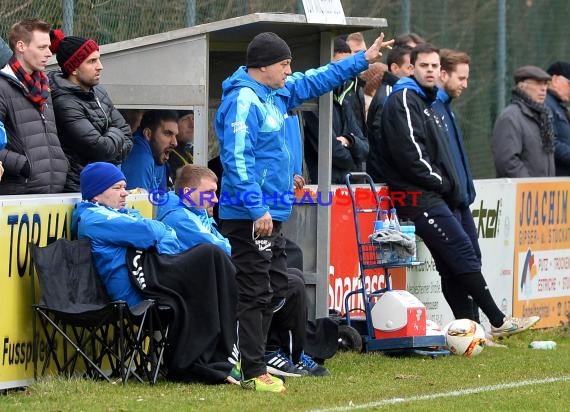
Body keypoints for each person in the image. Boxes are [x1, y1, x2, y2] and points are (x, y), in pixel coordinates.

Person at [215, 31, 393, 393]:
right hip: (249, 215)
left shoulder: (276, 91)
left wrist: (363, 60)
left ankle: (247, 357)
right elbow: (236, 159)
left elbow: (316, 79)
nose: (289, 70)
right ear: (264, 66)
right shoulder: (244, 100)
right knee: (256, 291)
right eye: (284, 64)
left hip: (273, 212)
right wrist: (257, 207)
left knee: (279, 286)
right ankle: (251, 368)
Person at [377, 43, 540, 338]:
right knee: (461, 254)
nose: (430, 71)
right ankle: (498, 320)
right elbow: (411, 155)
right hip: (419, 196)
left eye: (434, 66)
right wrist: (443, 183)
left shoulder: (427, 101)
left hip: (440, 194)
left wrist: (452, 187)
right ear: (411, 68)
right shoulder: (404, 98)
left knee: (455, 263)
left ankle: (473, 332)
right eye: (423, 65)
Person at [156, 164, 329, 379]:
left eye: (216, 192)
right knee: (268, 285)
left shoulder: (197, 214)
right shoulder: (179, 218)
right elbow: (222, 248)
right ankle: (265, 353)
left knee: (289, 279)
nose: (216, 200)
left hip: (219, 281)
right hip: (204, 290)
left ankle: (287, 352)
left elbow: (221, 245)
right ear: (189, 194)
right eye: (209, 193)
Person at [72, 161, 238, 384]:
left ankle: (222, 356)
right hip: (135, 287)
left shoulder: (119, 212)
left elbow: (162, 234)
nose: (124, 194)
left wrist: (158, 240)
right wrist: (158, 239)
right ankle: (200, 361)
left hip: (150, 273)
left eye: (125, 187)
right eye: (117, 188)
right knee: (209, 256)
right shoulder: (94, 218)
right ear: (96, 194)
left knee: (211, 263)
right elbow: (150, 229)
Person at [47, 29, 132, 192]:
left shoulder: (99, 91)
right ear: (73, 69)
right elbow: (100, 149)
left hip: (106, 186)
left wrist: (110, 143)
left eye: (98, 59)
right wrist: (115, 132)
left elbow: (128, 135)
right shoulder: (64, 102)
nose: (100, 67)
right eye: (92, 61)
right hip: (79, 189)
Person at [432, 49, 481, 324]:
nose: (465, 84)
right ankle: (468, 327)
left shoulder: (446, 107)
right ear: (444, 75)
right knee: (454, 268)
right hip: (446, 201)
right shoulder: (432, 108)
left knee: (472, 261)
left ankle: (475, 326)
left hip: (461, 200)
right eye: (461, 78)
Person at [0, 18, 67, 194]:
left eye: (49, 47)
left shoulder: (44, 87)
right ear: (21, 47)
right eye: (42, 47)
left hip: (52, 190)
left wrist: (60, 165)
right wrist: (24, 166)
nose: (48, 53)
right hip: (18, 194)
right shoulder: (2, 86)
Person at [303, 37, 369, 184]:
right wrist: (355, 159)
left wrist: (349, 140)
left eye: (346, 66)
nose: (343, 72)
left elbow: (365, 147)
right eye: (338, 67)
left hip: (347, 185)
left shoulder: (342, 101)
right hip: (322, 189)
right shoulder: (312, 104)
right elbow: (332, 151)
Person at [492, 66, 555, 177]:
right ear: (521, 86)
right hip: (523, 192)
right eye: (538, 83)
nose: (543, 88)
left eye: (545, 84)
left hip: (543, 191)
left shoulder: (544, 117)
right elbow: (507, 161)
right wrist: (530, 187)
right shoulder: (510, 117)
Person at [366, 45, 413, 182]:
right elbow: (382, 138)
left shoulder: (399, 93)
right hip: (385, 181)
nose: (413, 73)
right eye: (409, 67)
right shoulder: (388, 95)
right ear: (394, 68)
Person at [121, 109, 178, 191]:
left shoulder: (157, 155)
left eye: (175, 135)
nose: (175, 142)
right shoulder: (140, 158)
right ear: (148, 134)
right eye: (167, 133)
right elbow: (136, 202)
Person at [545, 61, 570, 176]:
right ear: (554, 80)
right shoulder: (546, 104)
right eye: (569, 83)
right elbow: (551, 143)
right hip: (555, 178)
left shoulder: (557, 106)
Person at [167, 110, 194, 182]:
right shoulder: (168, 155)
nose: (192, 125)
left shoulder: (189, 151)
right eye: (185, 119)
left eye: (193, 119)